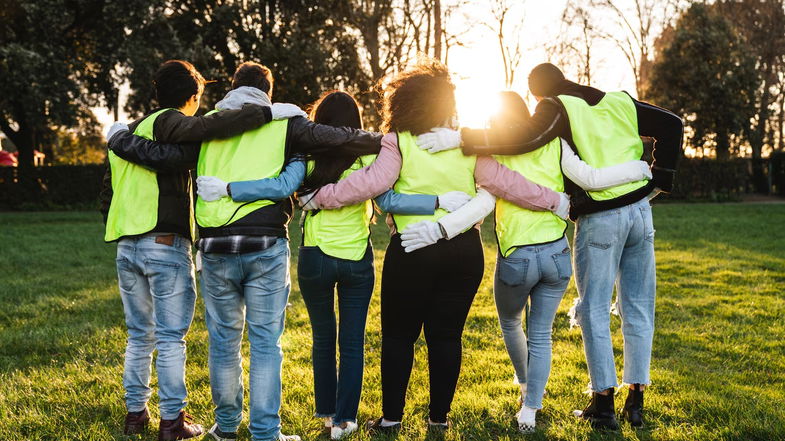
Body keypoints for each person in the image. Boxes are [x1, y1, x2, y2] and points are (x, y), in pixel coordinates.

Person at [302, 60, 568, 433]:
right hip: (463, 253)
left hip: (412, 252)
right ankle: (438, 419)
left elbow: (368, 184)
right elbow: (506, 182)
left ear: (404, 102)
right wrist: (553, 200)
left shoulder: (398, 143)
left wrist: (319, 197)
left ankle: (392, 418)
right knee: (446, 337)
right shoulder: (468, 144)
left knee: (398, 336)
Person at [424, 63, 684, 430]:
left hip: (602, 218)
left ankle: (604, 403)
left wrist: (460, 138)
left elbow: (526, 137)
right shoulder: (618, 101)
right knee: (639, 306)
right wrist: (659, 179)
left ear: (538, 94)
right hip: (640, 214)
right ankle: (636, 402)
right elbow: (672, 125)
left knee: (594, 309)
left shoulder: (556, 106)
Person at [197, 90, 466, 440]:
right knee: (352, 342)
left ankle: (326, 415)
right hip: (356, 259)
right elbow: (389, 199)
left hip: (316, 258)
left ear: (319, 122)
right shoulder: (370, 158)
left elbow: (286, 187)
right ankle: (345, 420)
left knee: (323, 339)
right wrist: (437, 201)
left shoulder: (306, 158)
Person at [99, 59, 305, 440]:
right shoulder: (171, 124)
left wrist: (120, 140)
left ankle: (136, 414)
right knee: (170, 337)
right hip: (164, 241)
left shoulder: (128, 130)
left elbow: (107, 195)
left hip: (125, 246)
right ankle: (172, 421)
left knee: (139, 333)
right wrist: (267, 113)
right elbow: (195, 140)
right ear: (193, 98)